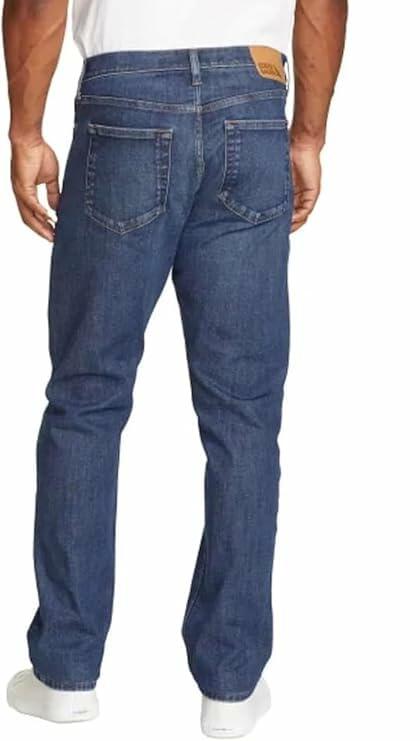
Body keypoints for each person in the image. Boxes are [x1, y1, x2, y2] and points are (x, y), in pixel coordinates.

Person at [3, 0, 347, 735]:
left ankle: (65, 673)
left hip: (123, 102)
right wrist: (309, 134)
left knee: (87, 399)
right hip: (253, 102)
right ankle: (231, 686)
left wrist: (25, 131)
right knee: (244, 416)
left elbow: (36, 5)